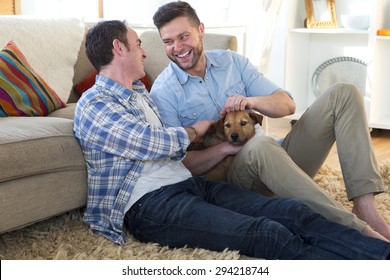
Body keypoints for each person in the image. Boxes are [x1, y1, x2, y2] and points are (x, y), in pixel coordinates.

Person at [72, 19, 390, 260]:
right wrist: (199, 129)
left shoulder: (140, 94)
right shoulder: (96, 103)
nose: (145, 51)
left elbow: (286, 104)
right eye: (139, 44)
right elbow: (152, 144)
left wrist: (240, 111)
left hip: (192, 186)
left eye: (183, 36)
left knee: (294, 212)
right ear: (118, 48)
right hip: (150, 206)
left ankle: (380, 253)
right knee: (270, 234)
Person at [150, 1, 390, 242]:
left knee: (343, 93)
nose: (178, 47)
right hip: (237, 185)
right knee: (259, 145)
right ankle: (355, 229)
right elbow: (181, 166)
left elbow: (287, 104)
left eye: (183, 36)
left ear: (201, 30)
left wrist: (251, 101)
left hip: (277, 161)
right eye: (168, 42)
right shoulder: (164, 92)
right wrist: (227, 147)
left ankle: (365, 208)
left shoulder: (232, 62)